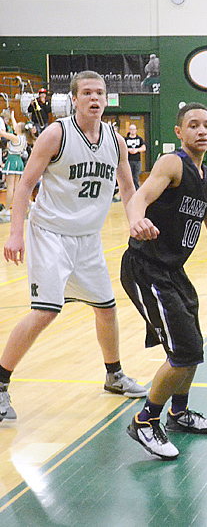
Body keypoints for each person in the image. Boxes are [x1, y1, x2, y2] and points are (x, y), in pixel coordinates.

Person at [1, 70, 147, 423]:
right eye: (87, 93)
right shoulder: (57, 133)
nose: (95, 98)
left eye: (100, 92)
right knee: (46, 311)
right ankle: (0, 384)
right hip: (50, 234)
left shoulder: (115, 139)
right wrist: (15, 233)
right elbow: (24, 186)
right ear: (75, 99)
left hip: (87, 239)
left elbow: (128, 189)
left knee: (106, 307)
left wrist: (135, 220)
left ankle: (114, 375)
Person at [122, 102, 207, 460]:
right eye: (194, 125)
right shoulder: (173, 164)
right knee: (183, 352)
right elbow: (140, 196)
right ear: (179, 132)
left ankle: (178, 411)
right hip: (146, 267)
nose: (202, 130)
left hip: (172, 271)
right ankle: (145, 420)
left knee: (194, 345)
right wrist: (136, 219)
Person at [0, 111, 26, 217]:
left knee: (10, 187)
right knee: (16, 187)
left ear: (19, 129)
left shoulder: (15, 138)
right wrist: (12, 116)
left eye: (17, 126)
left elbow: (3, 134)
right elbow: (15, 125)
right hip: (18, 161)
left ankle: (7, 210)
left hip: (12, 161)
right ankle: (17, 208)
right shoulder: (23, 137)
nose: (16, 126)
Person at [124, 124, 146, 190]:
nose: (132, 131)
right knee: (129, 177)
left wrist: (137, 150)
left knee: (136, 177)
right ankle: (128, 190)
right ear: (129, 130)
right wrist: (129, 150)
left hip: (137, 161)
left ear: (136, 130)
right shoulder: (126, 139)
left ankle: (137, 191)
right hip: (129, 161)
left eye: (134, 129)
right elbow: (122, 148)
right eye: (131, 129)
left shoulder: (139, 139)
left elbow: (144, 148)